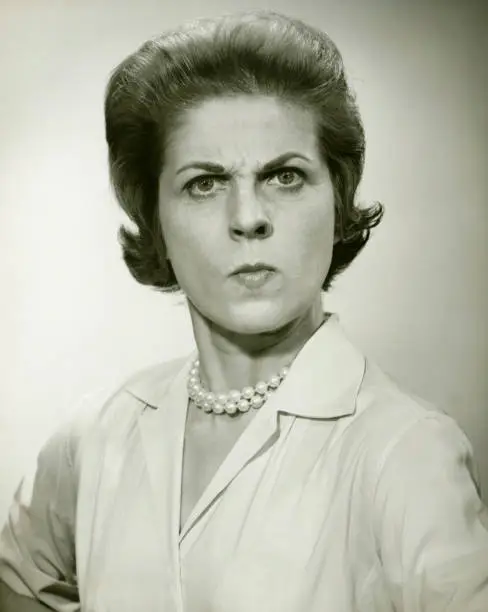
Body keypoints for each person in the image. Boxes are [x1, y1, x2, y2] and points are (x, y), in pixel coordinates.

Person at [0, 9, 487, 612]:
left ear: (337, 204)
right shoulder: (96, 434)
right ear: (155, 221)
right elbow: (21, 582)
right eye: (204, 183)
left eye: (284, 176)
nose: (248, 217)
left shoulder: (406, 454)